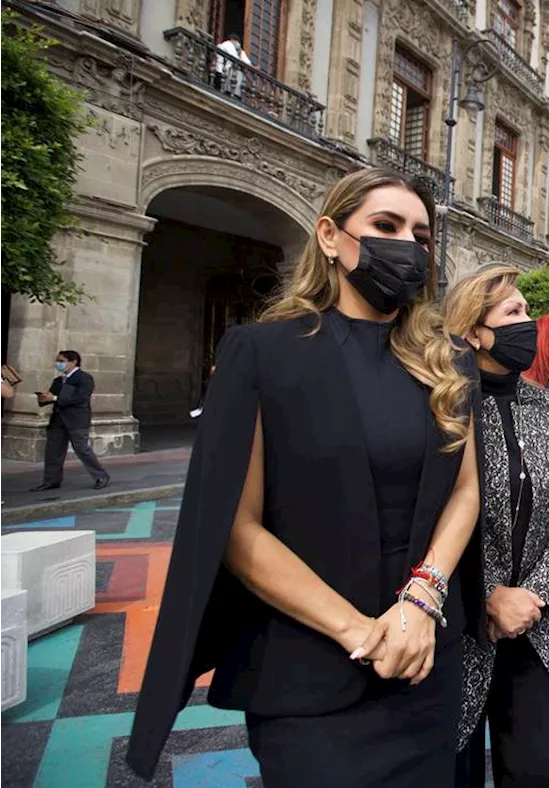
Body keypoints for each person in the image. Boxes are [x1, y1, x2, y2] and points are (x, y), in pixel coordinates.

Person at [127, 168, 483, 785]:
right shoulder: (262, 352)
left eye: (421, 236)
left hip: (425, 658)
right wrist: (364, 634)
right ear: (329, 236)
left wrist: (420, 601)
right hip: (307, 666)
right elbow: (235, 528)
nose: (407, 246)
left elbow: (465, 490)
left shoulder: (447, 360)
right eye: (385, 226)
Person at [445, 266, 549, 788]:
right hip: (459, 626)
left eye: (528, 311)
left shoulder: (547, 404)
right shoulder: (441, 405)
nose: (528, 324)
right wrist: (488, 596)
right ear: (473, 332)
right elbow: (427, 520)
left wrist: (534, 594)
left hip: (537, 624)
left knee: (543, 769)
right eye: (513, 313)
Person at [31, 350, 110, 492]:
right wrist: (45, 398)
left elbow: (80, 399)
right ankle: (51, 480)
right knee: (53, 452)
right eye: (58, 361)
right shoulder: (58, 381)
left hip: (77, 421)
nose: (59, 364)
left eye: (62, 361)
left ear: (73, 362)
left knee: (82, 449)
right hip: (57, 421)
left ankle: (101, 476)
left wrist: (55, 398)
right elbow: (51, 397)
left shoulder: (84, 378)